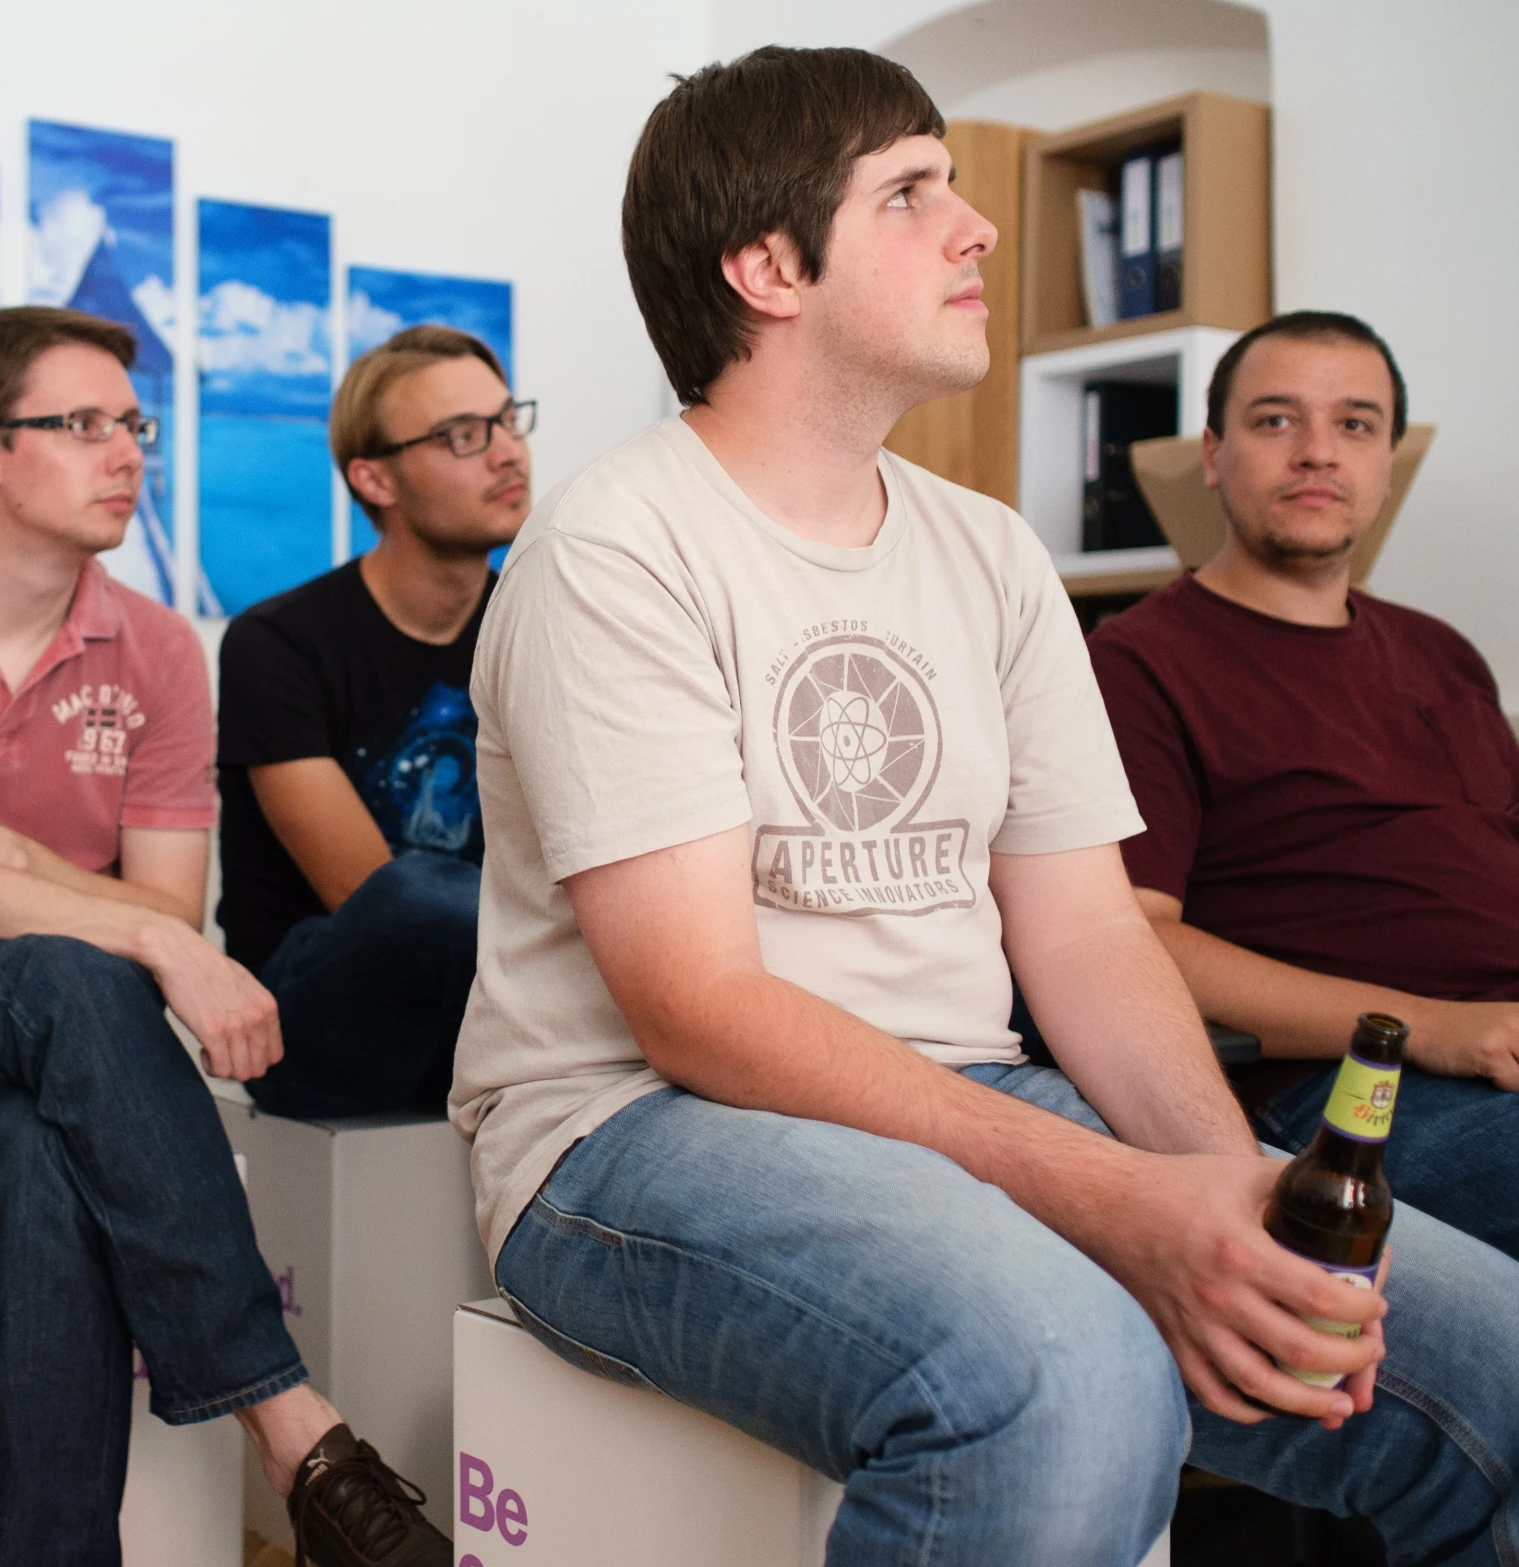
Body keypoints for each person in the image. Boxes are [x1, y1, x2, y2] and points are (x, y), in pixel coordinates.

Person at [450, 46, 1519, 1565]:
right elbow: (697, 1009)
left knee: (1490, 1359)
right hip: (627, 1129)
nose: (980, 226)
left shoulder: (993, 552)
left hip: (960, 1091)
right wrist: (1118, 1198)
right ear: (767, 267)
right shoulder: (617, 546)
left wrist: (1225, 1184)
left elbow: (1084, 931)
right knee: (1061, 1375)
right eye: (911, 192)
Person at [0, 305, 450, 1567]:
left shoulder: (160, 654)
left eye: (133, 424)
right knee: (72, 974)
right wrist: (140, 937)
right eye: (83, 425)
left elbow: (163, 912)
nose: (130, 451)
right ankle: (290, 1421)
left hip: (48, 1045)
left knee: (35, 1150)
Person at [1088, 312, 1519, 1260]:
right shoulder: (1138, 664)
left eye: (1356, 424)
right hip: (1355, 1077)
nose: (1319, 453)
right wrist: (1440, 1031)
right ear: (1213, 453)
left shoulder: (1443, 652)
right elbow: (1132, 935)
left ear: (1389, 463)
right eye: (1277, 421)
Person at [215, 326, 532, 1118]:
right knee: (417, 897)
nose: (506, 453)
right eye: (464, 436)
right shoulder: (277, 642)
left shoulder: (543, 627)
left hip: (494, 1007)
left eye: (508, 421)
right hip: (318, 1014)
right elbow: (366, 891)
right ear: (373, 478)